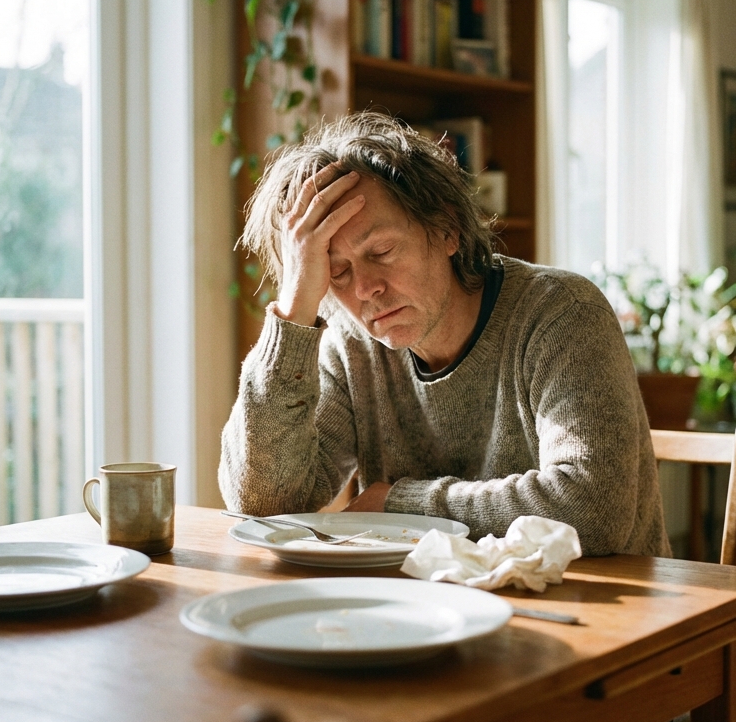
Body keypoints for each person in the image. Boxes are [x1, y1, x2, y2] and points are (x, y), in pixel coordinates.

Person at [219, 111, 671, 560]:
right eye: (336, 272)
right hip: (433, 608)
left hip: (601, 608)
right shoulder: (350, 346)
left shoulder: (562, 314)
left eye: (382, 251)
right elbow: (264, 504)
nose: (365, 289)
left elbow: (591, 511)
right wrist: (296, 309)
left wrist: (399, 504)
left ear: (447, 228)